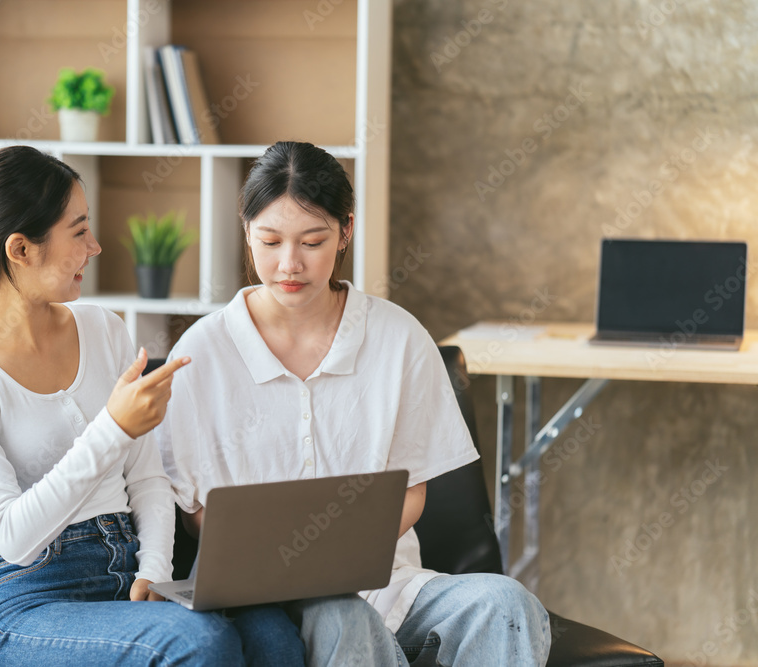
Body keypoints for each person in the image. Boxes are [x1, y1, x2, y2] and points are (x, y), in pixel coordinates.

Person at [0, 145, 304, 667]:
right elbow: (14, 538)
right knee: (200, 643)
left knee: (273, 636)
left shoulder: (103, 328)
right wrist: (111, 427)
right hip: (32, 597)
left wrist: (154, 568)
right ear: (21, 249)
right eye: (78, 230)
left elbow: (147, 477)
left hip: (126, 569)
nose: (94, 247)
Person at [156, 140, 552, 666]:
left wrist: (342, 554)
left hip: (392, 586)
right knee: (343, 616)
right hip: (259, 600)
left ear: (345, 231)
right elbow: (192, 511)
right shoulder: (202, 353)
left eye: (312, 241)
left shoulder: (397, 338)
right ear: (246, 232)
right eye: (269, 241)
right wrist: (288, 560)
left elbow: (413, 489)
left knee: (507, 605)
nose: (288, 264)